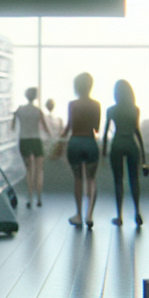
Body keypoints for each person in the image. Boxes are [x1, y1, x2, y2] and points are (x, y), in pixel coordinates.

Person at [103, 79, 148, 227]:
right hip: (131, 143)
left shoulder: (111, 110)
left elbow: (105, 133)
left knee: (118, 181)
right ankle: (137, 212)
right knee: (134, 180)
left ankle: (119, 216)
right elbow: (137, 131)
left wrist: (103, 151)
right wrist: (143, 156)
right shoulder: (135, 109)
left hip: (117, 144)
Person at [60, 72, 101, 228]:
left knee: (78, 179)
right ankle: (89, 214)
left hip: (75, 142)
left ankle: (78, 215)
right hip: (90, 142)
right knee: (91, 179)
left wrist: (58, 143)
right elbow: (96, 128)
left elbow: (69, 126)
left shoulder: (73, 104)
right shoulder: (96, 105)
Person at [12, 87, 50, 208]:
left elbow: (12, 127)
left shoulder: (19, 110)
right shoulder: (38, 111)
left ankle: (29, 198)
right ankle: (39, 198)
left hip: (24, 140)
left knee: (29, 171)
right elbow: (45, 128)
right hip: (36, 140)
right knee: (39, 171)